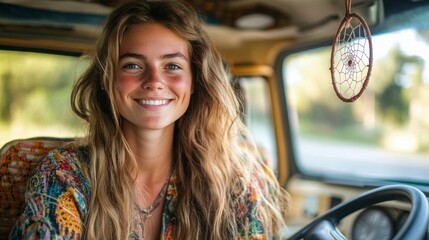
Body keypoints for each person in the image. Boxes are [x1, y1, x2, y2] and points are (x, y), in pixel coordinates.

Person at [10, 0, 289, 239]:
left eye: (172, 66)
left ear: (194, 81)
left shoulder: (234, 182)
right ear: (108, 80)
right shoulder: (64, 174)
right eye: (133, 65)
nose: (154, 81)